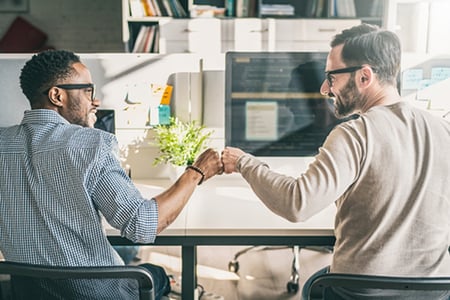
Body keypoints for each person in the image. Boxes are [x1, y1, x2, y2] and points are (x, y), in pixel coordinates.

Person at [221, 23, 450, 299]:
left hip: (359, 292)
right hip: (435, 291)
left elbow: (298, 203)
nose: (324, 88)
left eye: (332, 77)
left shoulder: (355, 134)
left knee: (314, 287)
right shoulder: (443, 129)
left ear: (365, 76)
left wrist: (245, 163)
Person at [0, 49, 223, 299]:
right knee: (156, 273)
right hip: (97, 293)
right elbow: (142, 224)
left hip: (28, 292)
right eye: (87, 91)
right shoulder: (91, 145)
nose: (94, 101)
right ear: (56, 95)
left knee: (125, 256)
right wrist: (196, 173)